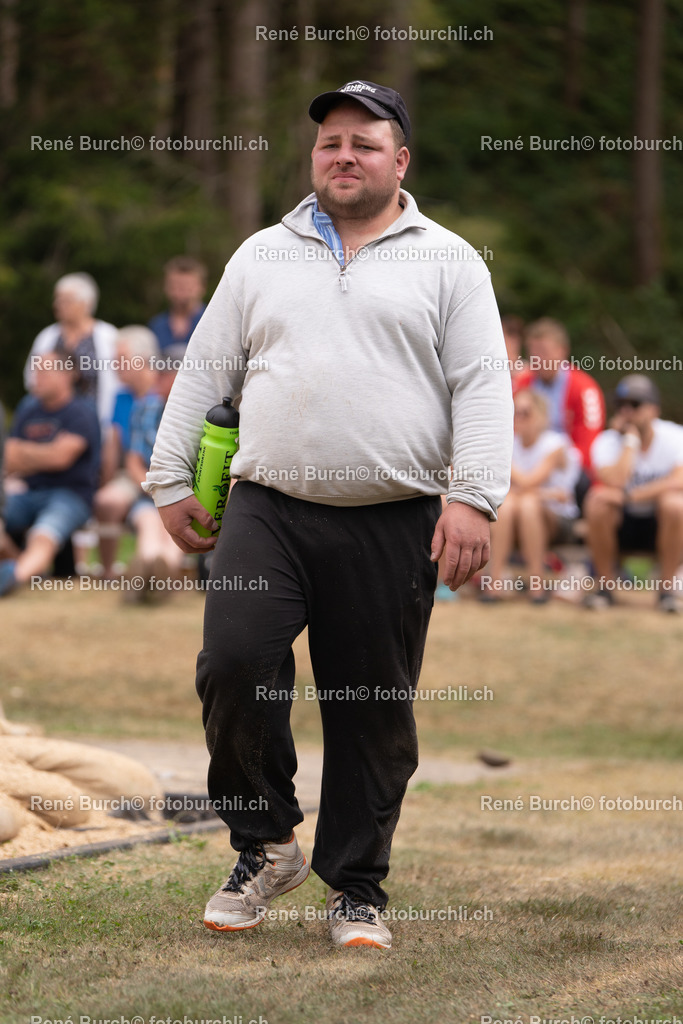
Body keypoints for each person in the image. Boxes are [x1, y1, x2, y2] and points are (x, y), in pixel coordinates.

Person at [144, 79, 513, 949]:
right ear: (313, 157)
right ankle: (264, 842)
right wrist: (169, 481)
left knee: (372, 711)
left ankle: (356, 890)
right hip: (266, 506)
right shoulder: (258, 255)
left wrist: (472, 497)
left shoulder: (450, 260)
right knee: (232, 663)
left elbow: (480, 385)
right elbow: (204, 370)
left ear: (400, 161)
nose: (343, 156)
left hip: (393, 515)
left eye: (364, 143)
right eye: (329, 143)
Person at [95, 326, 184, 598]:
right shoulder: (143, 406)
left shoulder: (198, 414)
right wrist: (155, 488)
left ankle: (158, 574)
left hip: (182, 492)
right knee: (149, 522)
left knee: (172, 527)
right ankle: (149, 570)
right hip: (151, 489)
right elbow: (132, 459)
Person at [0, 356, 100, 596]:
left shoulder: (81, 412)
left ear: (68, 375)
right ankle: (27, 569)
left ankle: (11, 579)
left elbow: (61, 458)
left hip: (71, 495)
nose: (37, 377)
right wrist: (47, 452)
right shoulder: (28, 409)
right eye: (36, 371)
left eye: (45, 371)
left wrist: (28, 455)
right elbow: (9, 456)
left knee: (44, 533)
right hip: (28, 491)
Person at [584, 374, 683, 612]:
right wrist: (630, 442)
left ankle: (666, 591)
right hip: (621, 525)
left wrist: (630, 496)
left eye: (635, 404)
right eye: (621, 405)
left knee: (675, 504)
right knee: (597, 505)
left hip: (658, 524)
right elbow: (615, 481)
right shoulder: (607, 441)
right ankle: (604, 588)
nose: (627, 411)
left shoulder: (674, 436)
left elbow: (679, 480)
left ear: (655, 409)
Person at [484, 389, 581, 603]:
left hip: (557, 520)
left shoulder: (556, 444)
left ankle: (536, 583)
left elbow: (527, 483)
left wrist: (500, 456)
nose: (518, 418)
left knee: (526, 503)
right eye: (514, 412)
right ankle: (496, 582)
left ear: (542, 417)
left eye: (525, 412)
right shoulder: (509, 442)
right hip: (518, 514)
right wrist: (547, 494)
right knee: (509, 504)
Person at [24, 273, 119, 430]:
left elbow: (118, 380)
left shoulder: (108, 336)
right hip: (52, 416)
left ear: (85, 303)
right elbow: (30, 376)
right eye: (57, 299)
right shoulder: (47, 336)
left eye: (65, 300)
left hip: (96, 415)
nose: (57, 304)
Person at [514, 318, 605, 473]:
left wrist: (552, 461)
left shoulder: (584, 389)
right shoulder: (521, 384)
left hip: (566, 467)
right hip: (524, 461)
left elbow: (588, 444)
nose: (536, 358)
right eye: (532, 351)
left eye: (543, 351)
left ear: (562, 350)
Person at [148, 256, 207, 352]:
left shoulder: (213, 322)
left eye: (188, 286)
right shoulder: (156, 325)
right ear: (165, 287)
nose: (181, 292)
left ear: (202, 287)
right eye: (175, 286)